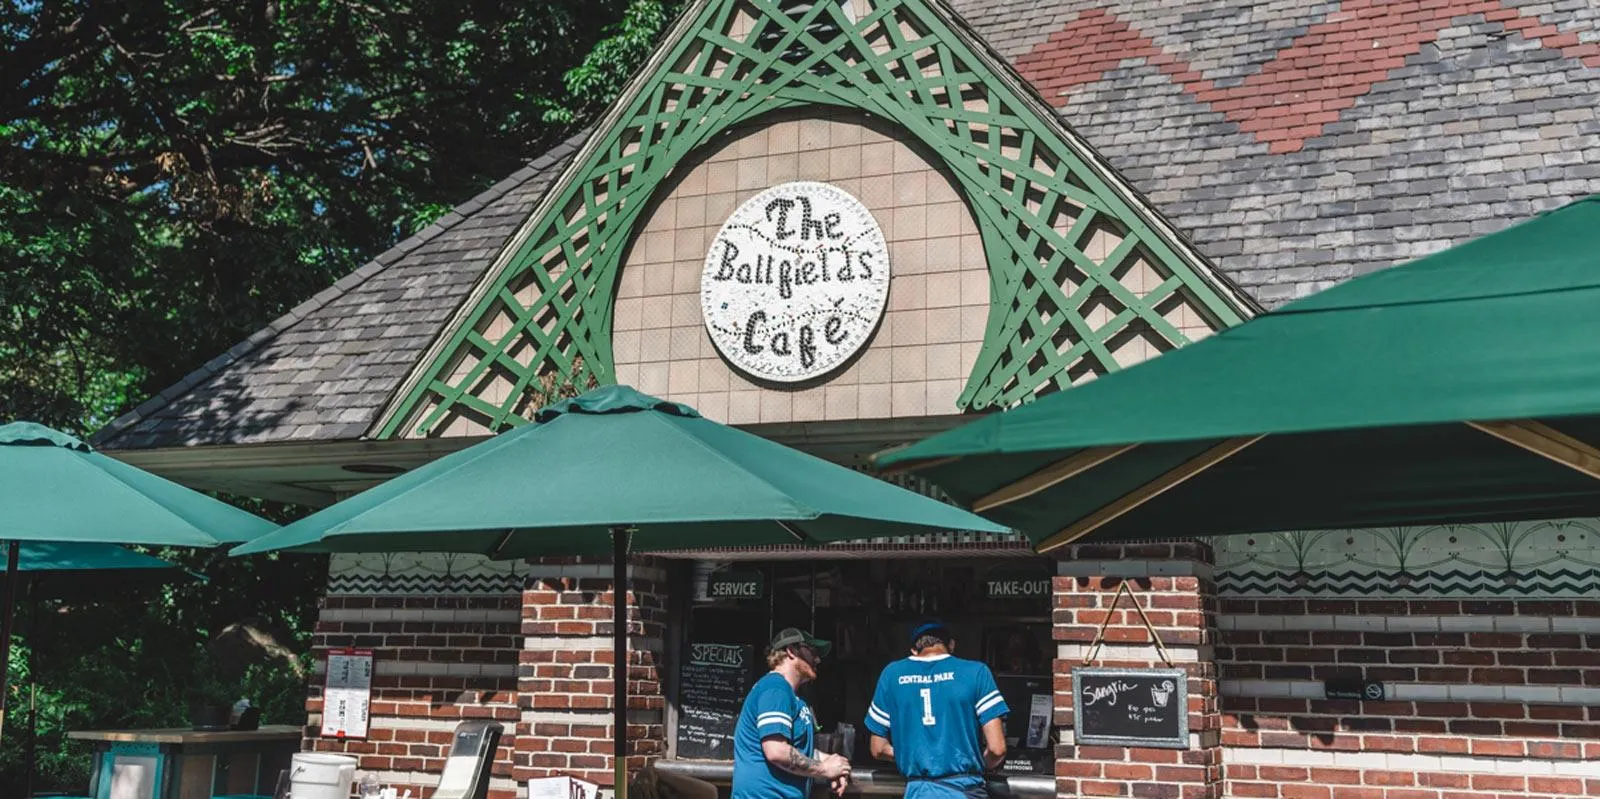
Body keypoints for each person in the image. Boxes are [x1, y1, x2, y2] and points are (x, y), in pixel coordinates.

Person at [863, 621, 1008, 799]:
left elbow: (877, 748)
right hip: (963, 789)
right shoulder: (976, 672)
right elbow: (997, 748)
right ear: (951, 645)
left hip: (918, 791)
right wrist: (977, 765)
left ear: (914, 650)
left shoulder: (892, 674)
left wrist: (916, 754)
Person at [732, 628, 852, 799]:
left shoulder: (792, 696)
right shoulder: (775, 688)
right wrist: (824, 769)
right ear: (791, 651)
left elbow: (799, 750)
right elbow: (776, 751)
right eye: (812, 651)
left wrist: (837, 764)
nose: (817, 659)